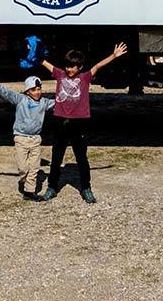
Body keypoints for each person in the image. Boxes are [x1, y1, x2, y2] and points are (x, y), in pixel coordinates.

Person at [39, 43, 127, 204]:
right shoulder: (59, 74)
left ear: (80, 67)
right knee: (56, 157)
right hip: (60, 120)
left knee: (81, 158)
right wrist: (33, 52)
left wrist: (114, 56)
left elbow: (98, 66)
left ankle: (86, 188)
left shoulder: (85, 77)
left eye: (73, 67)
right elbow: (44, 62)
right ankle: (52, 187)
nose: (69, 69)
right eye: (67, 66)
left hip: (79, 122)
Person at [0, 74, 55, 200]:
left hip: (36, 139)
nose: (37, 92)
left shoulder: (44, 102)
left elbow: (59, 103)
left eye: (39, 89)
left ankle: (29, 192)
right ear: (27, 91)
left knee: (34, 167)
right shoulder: (21, 100)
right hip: (21, 138)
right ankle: (23, 180)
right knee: (23, 168)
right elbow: (8, 93)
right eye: (33, 90)